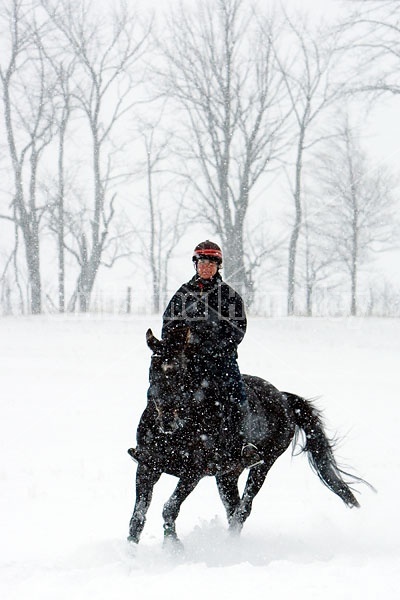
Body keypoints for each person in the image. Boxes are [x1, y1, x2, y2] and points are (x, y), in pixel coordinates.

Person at [162, 240, 261, 469]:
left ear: (218, 266)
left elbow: (237, 329)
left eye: (211, 263)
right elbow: (168, 324)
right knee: (162, 388)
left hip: (220, 361)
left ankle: (243, 445)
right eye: (202, 263)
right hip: (188, 361)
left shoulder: (229, 296)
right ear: (195, 265)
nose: (206, 267)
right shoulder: (183, 294)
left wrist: (211, 347)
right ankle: (156, 445)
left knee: (236, 394)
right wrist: (179, 345)